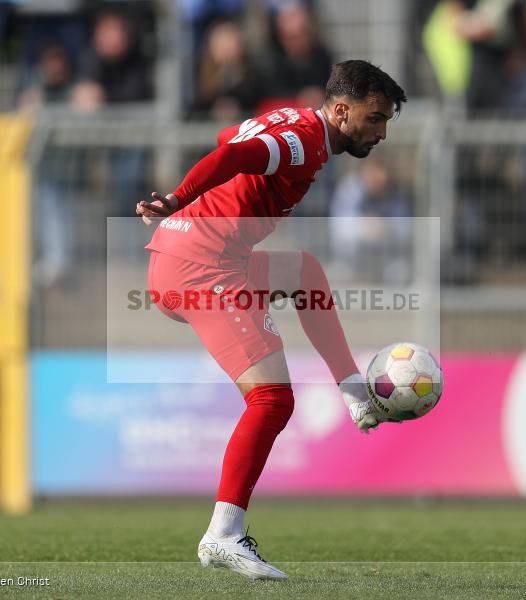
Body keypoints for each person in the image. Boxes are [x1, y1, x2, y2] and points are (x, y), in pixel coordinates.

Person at [135, 60, 407, 580]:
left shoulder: (290, 120)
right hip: (199, 267)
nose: (381, 133)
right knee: (273, 399)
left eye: (387, 121)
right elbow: (235, 151)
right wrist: (177, 198)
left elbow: (232, 135)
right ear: (343, 110)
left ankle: (352, 390)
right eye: (375, 119)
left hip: (195, 257)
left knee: (303, 272)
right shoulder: (303, 140)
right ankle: (223, 536)